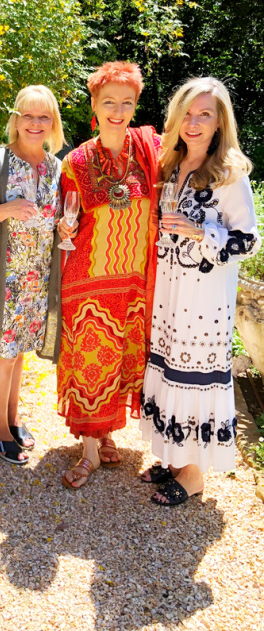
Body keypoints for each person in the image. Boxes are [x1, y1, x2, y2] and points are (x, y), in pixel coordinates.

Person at [140, 77, 261, 505]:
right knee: (168, 369)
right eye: (187, 114)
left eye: (204, 114)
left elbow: (248, 241)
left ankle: (192, 475)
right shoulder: (171, 166)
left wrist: (199, 231)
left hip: (205, 301)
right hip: (170, 293)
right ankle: (173, 457)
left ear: (219, 122)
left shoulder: (229, 174)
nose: (193, 123)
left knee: (192, 376)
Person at [57, 61, 160, 488]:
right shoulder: (76, 162)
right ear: (94, 106)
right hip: (88, 283)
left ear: (135, 106)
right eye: (109, 102)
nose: (117, 111)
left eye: (126, 103)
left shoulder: (151, 152)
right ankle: (89, 451)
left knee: (122, 360)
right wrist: (62, 227)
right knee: (90, 363)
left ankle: (107, 433)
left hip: (133, 281)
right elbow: (66, 219)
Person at [0, 86, 64, 464]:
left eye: (43, 116)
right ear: (15, 120)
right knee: (1, 357)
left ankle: (13, 418)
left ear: (53, 123)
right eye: (28, 115)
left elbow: (56, 218)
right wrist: (6, 209)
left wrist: (64, 228)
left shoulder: (55, 167)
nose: (35, 123)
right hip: (3, 282)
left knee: (18, 354)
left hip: (37, 280)